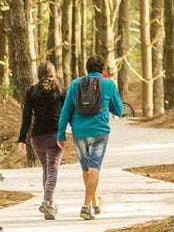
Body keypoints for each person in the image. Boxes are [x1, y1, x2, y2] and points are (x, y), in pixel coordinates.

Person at [58, 55, 124, 220]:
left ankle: (95, 203)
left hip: (79, 133)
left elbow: (66, 109)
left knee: (86, 169)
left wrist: (60, 133)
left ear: (87, 69)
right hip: (99, 132)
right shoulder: (108, 84)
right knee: (94, 168)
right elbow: (119, 110)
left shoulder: (75, 84)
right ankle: (85, 207)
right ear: (102, 70)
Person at [17, 61, 65, 220]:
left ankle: (50, 207)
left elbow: (27, 117)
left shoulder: (31, 92)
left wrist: (22, 139)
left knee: (47, 169)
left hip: (37, 138)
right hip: (55, 137)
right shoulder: (60, 91)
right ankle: (47, 201)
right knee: (52, 170)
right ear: (54, 73)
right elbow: (67, 114)